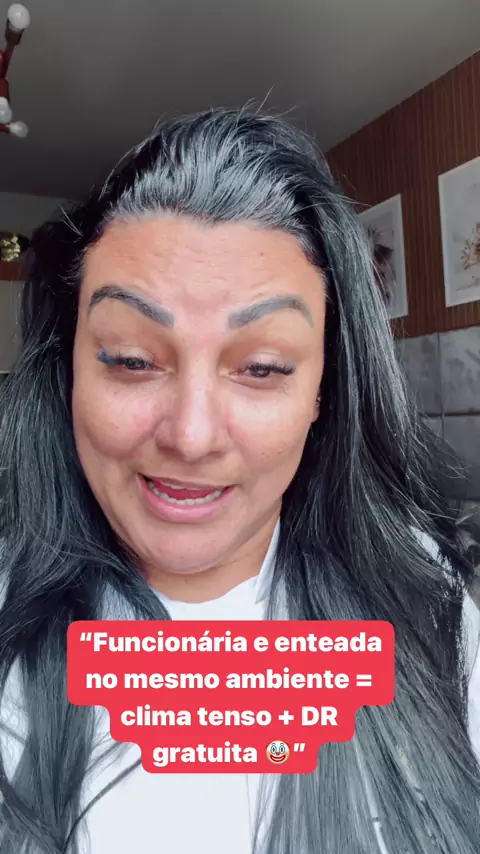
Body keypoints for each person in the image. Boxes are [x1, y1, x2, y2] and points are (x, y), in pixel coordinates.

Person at [0, 108, 478, 854]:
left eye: (262, 368)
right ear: (68, 374)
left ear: (323, 392)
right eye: (131, 359)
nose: (191, 436)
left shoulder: (434, 610)